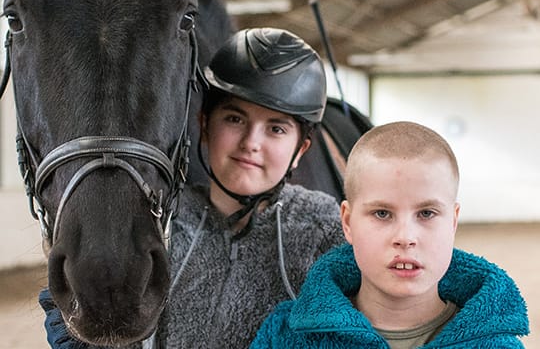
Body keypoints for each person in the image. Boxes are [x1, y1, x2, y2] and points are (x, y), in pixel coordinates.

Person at [38, 27, 345, 348]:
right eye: (234, 119)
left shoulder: (325, 234)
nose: (251, 143)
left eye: (276, 128)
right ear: (204, 125)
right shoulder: (156, 222)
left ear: (301, 150)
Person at [251, 121, 529, 348]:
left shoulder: (498, 345)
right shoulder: (286, 337)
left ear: (453, 222)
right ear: (347, 223)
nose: (405, 237)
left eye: (427, 213)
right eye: (382, 214)